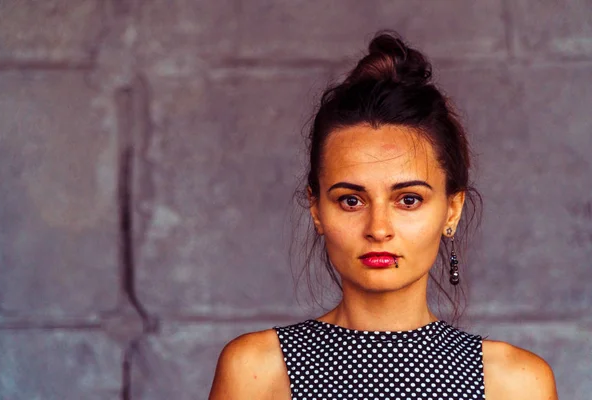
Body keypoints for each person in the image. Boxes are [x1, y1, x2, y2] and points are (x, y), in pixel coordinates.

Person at [209, 32, 558, 400]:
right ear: (316, 209)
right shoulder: (257, 370)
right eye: (351, 201)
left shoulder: (516, 384)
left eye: (408, 200)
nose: (378, 228)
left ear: (451, 210)